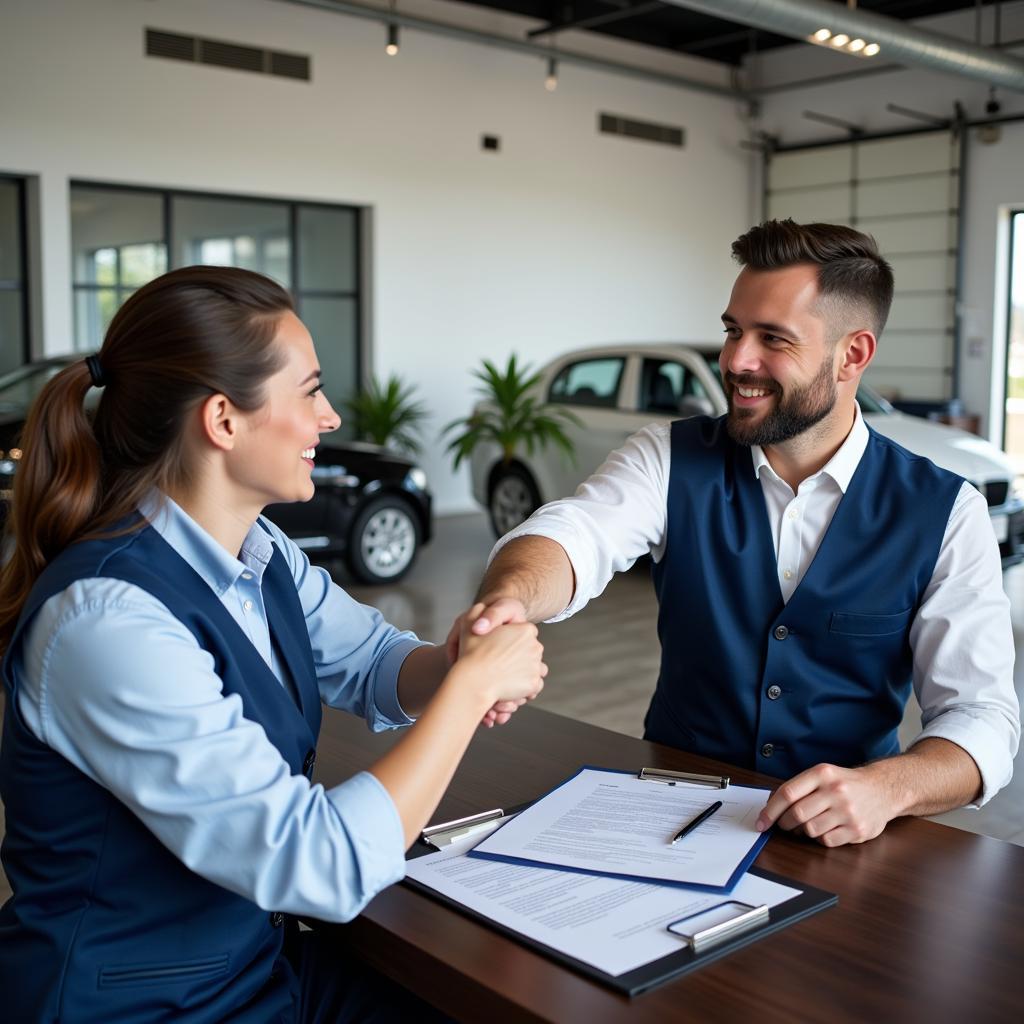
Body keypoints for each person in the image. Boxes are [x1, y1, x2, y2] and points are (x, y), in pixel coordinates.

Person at [0, 266, 545, 1023]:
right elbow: (316, 862)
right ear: (223, 420)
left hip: (251, 969)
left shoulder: (260, 551)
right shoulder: (108, 621)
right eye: (310, 392)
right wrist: (471, 690)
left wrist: (458, 656)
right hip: (140, 1006)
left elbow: (372, 662)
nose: (328, 418)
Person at [453, 219, 1020, 848]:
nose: (735, 360)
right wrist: (511, 598)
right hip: (667, 816)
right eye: (732, 330)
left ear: (852, 354)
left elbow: (983, 719)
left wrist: (888, 787)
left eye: (772, 338)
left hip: (846, 842)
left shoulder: (947, 511)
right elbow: (574, 534)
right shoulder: (668, 457)